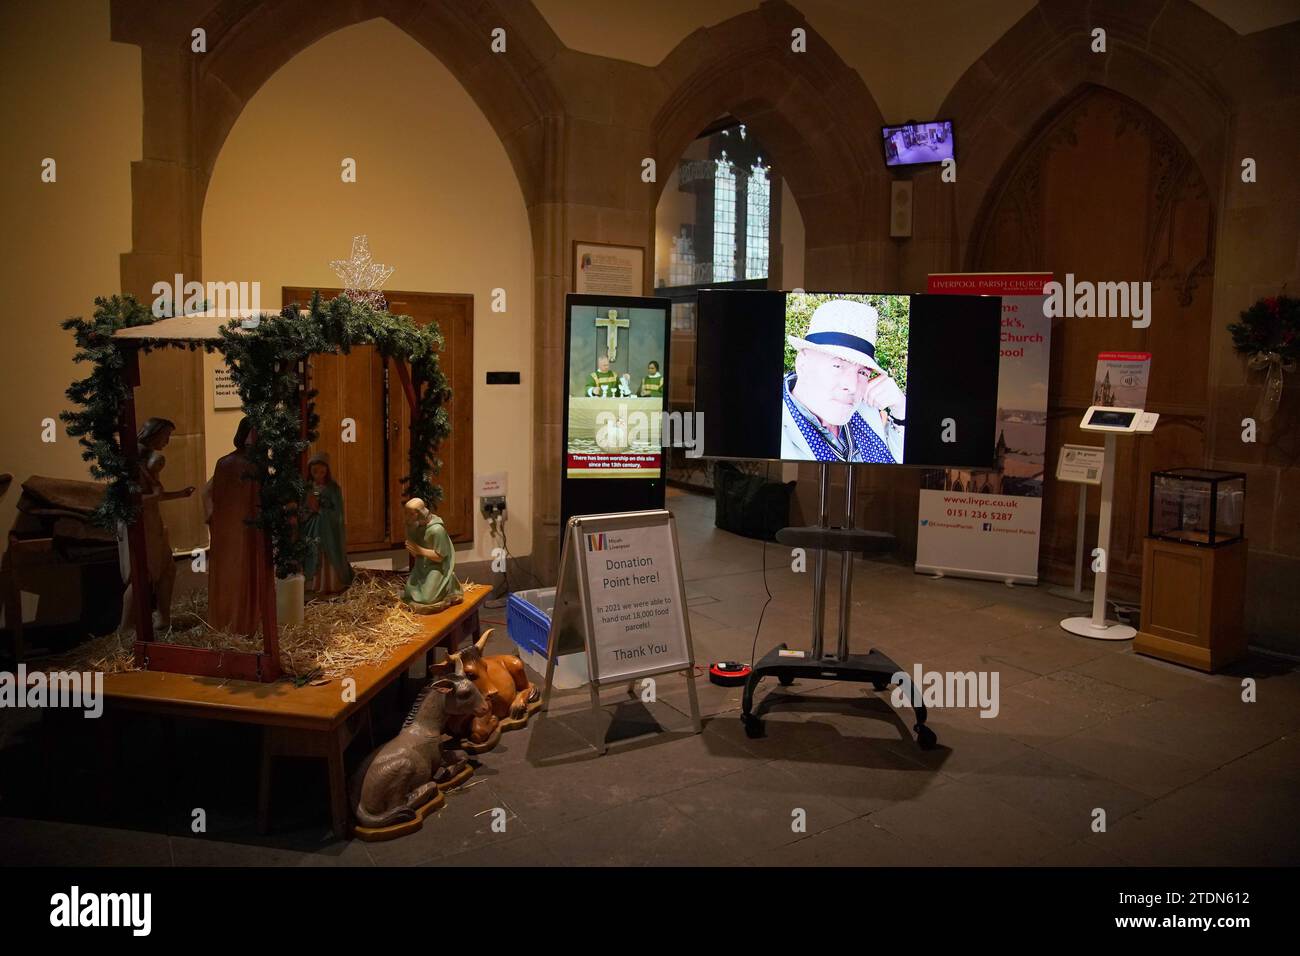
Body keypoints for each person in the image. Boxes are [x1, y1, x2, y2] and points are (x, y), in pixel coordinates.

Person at [781, 299, 906, 463]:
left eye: (862, 372)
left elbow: (897, 464)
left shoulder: (865, 408)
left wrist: (901, 412)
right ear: (802, 363)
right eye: (837, 365)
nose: (853, 386)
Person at [118, 417, 194, 632]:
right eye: (166, 436)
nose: (168, 441)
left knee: (166, 569)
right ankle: (125, 628)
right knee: (141, 575)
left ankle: (162, 618)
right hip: (139, 521)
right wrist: (155, 496)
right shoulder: (150, 459)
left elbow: (152, 495)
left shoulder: (143, 457)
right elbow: (129, 499)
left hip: (150, 519)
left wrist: (179, 494)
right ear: (154, 432)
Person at [203, 417, 271, 635]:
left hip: (226, 530)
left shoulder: (224, 462)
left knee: (228, 573)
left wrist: (212, 518)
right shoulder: (252, 465)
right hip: (246, 530)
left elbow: (209, 492)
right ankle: (245, 622)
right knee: (245, 570)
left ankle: (224, 620)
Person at [302, 452, 353, 595]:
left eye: (322, 471)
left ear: (327, 471)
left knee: (328, 553)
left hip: (328, 529)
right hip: (312, 527)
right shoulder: (307, 488)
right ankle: (312, 584)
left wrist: (323, 510)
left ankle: (330, 583)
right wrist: (309, 509)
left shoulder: (333, 488)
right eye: (315, 471)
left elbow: (338, 511)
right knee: (312, 552)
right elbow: (303, 507)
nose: (318, 475)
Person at [401, 498, 463, 613]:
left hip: (437, 566)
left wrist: (419, 550)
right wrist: (413, 549)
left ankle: (450, 585)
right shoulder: (416, 526)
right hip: (422, 563)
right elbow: (415, 550)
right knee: (409, 593)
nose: (407, 517)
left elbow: (440, 557)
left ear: (419, 513)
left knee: (427, 599)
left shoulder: (436, 530)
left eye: (410, 514)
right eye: (406, 513)